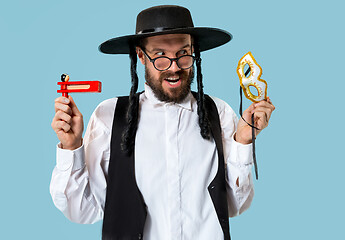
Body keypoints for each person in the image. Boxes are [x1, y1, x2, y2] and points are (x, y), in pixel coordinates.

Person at [50, 5, 275, 240]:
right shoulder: (110, 116)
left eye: (183, 53)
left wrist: (243, 141)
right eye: (160, 56)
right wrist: (71, 147)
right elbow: (82, 211)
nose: (174, 67)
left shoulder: (219, 113)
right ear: (140, 56)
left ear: (194, 52)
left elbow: (234, 206)